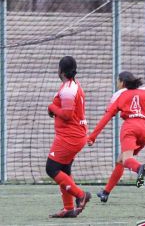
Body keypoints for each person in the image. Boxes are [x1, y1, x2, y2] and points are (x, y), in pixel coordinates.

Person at [88, 71, 145, 203]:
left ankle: (139, 168)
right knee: (121, 160)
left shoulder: (119, 95)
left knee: (127, 160)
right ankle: (105, 192)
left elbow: (106, 117)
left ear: (122, 82)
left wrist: (92, 136)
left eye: (117, 81)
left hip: (130, 128)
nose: (117, 84)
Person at [46, 56, 91, 218]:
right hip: (74, 135)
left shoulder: (68, 89)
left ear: (61, 70)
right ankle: (68, 209)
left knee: (51, 168)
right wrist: (54, 109)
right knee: (64, 170)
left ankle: (81, 195)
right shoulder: (73, 85)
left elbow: (66, 114)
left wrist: (51, 107)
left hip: (70, 137)